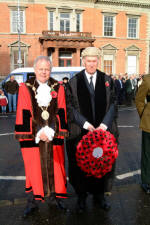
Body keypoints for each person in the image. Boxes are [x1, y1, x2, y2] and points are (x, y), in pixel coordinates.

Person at [65, 47, 118, 213]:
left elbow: (114, 104)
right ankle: (81, 197)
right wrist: (85, 124)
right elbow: (70, 107)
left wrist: (104, 125)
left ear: (98, 62)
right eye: (88, 61)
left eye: (94, 61)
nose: (91, 64)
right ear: (83, 61)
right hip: (80, 132)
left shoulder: (107, 80)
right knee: (79, 165)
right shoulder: (74, 82)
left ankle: (99, 196)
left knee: (102, 162)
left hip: (103, 132)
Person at [15, 56, 68, 217]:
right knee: (33, 171)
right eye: (41, 69)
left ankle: (55, 200)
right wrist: (40, 131)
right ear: (35, 70)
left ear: (50, 70)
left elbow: (61, 110)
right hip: (33, 137)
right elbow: (24, 111)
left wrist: (51, 130)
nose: (44, 72)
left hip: (53, 136)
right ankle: (32, 203)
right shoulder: (25, 87)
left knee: (56, 171)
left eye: (47, 69)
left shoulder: (58, 87)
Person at [135, 74, 150, 194]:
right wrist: (143, 115)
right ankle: (146, 181)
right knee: (147, 154)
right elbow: (139, 100)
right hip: (149, 123)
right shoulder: (148, 79)